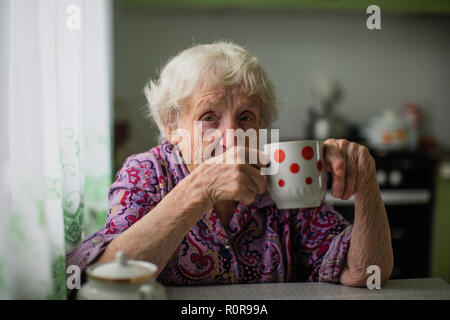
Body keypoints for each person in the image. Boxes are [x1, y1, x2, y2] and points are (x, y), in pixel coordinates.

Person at [66, 41, 393, 287]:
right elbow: (100, 276)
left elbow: (364, 273)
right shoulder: (147, 173)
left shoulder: (280, 177)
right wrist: (201, 190)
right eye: (209, 117)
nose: (232, 134)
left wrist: (364, 180)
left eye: (246, 117)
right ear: (172, 128)